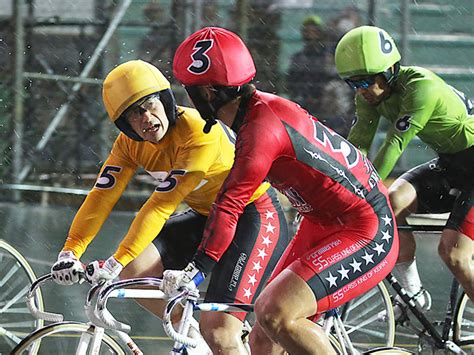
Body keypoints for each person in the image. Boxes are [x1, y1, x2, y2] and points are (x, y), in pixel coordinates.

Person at [163, 27, 399, 354]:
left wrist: (197, 270)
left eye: (189, 90)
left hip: (365, 228)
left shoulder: (261, 129)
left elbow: (229, 204)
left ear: (207, 93)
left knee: (275, 313)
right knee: (262, 337)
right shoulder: (258, 112)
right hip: (324, 219)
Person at [49, 59, 290, 354]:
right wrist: (70, 251)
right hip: (207, 216)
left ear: (166, 99)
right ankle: (190, 336)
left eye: (150, 105)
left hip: (254, 217)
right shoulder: (128, 144)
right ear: (124, 125)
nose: (147, 118)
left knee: (220, 332)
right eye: (133, 115)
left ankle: (217, 341)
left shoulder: (200, 132)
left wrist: (113, 263)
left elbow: (160, 206)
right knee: (136, 270)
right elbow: (101, 196)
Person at [335, 26, 474, 307]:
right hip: (452, 164)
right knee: (391, 202)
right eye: (353, 84)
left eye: (366, 81)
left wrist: (361, 192)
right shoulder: (369, 96)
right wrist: (340, 188)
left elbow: (394, 145)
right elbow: (358, 146)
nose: (362, 91)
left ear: (389, 70)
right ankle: (413, 293)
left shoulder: (422, 87)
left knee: (454, 253)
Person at [286, 15, 331, 117]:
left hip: (322, 103)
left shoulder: (328, 57)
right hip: (303, 102)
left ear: (320, 33)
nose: (310, 34)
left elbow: (329, 79)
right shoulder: (298, 58)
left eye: (314, 31)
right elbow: (291, 82)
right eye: (307, 31)